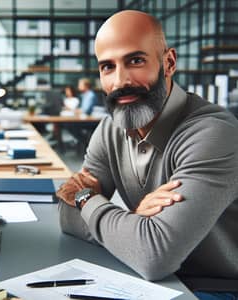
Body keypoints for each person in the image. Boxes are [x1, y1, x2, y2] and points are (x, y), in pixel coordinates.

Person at [56, 10, 238, 300]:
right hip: (151, 280)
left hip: (214, 287)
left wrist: (87, 199)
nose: (120, 81)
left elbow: (154, 255)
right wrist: (134, 223)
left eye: (135, 61)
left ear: (168, 63)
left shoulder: (213, 133)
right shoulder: (109, 129)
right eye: (107, 67)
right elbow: (65, 216)